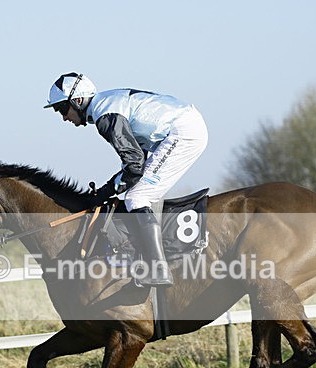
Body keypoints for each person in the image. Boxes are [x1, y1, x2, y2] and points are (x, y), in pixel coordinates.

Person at [44, 72, 208, 287]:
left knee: (137, 198)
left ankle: (159, 269)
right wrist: (110, 187)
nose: (64, 118)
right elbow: (135, 160)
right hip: (184, 126)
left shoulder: (105, 116)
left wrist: (106, 191)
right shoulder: (105, 105)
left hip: (182, 132)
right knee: (137, 193)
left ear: (78, 101)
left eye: (62, 109)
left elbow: (134, 165)